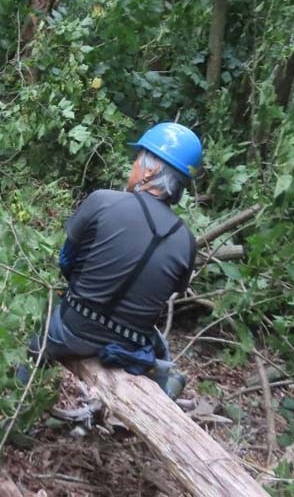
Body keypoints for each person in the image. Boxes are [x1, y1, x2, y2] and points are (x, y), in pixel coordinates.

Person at [28, 122, 202, 398]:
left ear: (150, 170)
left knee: (34, 334)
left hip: (75, 329)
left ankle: (18, 396)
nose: (132, 166)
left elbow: (66, 261)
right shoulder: (186, 240)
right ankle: (163, 388)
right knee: (159, 346)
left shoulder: (103, 201)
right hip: (131, 345)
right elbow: (167, 293)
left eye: (136, 159)